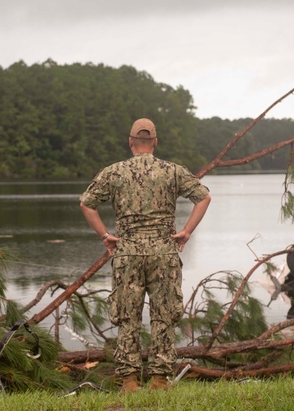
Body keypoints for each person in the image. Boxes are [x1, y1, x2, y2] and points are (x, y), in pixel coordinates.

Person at [80, 118, 211, 393]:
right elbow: (204, 197)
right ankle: (160, 380)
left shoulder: (114, 172)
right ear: (155, 142)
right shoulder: (172, 171)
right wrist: (186, 231)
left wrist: (106, 236)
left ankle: (129, 381)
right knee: (164, 315)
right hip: (164, 251)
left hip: (127, 252)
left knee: (128, 316)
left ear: (130, 142)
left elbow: (86, 204)